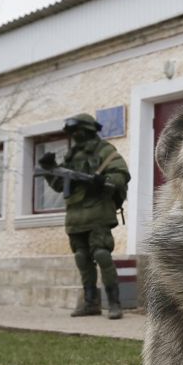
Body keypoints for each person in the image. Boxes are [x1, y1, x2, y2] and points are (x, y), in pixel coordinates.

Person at [39, 114, 130, 320]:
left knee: (101, 254)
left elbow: (121, 174)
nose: (75, 135)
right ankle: (90, 303)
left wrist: (103, 180)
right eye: (72, 132)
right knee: (81, 257)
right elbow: (59, 185)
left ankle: (114, 303)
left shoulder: (104, 150)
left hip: (98, 211)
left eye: (78, 131)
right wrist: (49, 169)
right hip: (75, 215)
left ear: (89, 130)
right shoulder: (71, 156)